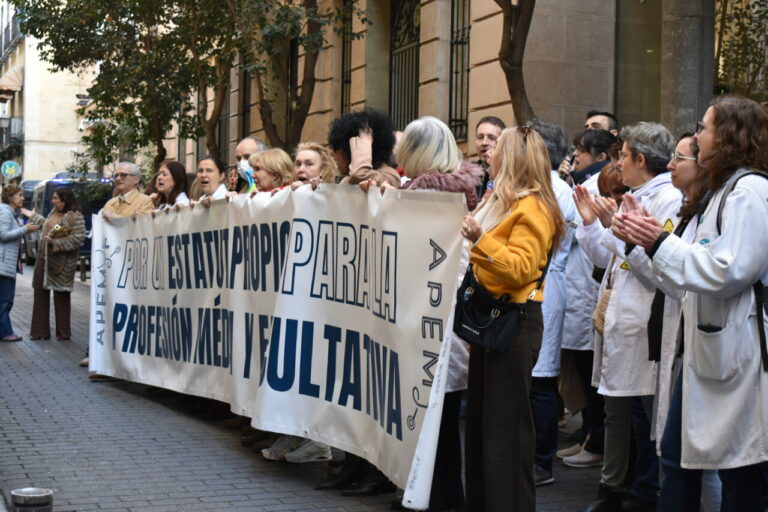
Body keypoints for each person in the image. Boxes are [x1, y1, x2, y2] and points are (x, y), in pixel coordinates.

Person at [615, 95, 768, 512]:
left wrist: (658, 241)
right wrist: (644, 241)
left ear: (730, 136)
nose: (697, 135)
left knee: (742, 472)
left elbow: (728, 270)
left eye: (703, 127)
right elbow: (685, 280)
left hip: (737, 356)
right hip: (704, 355)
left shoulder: (750, 192)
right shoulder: (719, 193)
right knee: (679, 454)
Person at [575, 122, 679, 512]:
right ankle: (620, 488)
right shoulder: (637, 195)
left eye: (621, 156)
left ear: (639, 158)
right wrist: (593, 223)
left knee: (644, 417)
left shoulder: (667, 199)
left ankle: (644, 491)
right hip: (622, 318)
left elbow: (658, 267)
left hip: (644, 321)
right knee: (622, 410)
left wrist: (615, 231)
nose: (617, 165)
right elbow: (607, 259)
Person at [460, 126, 565, 511]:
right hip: (499, 318)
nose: (490, 152)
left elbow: (521, 269)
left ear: (515, 157)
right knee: (485, 424)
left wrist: (480, 240)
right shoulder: (507, 200)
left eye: (498, 147)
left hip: (514, 321)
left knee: (505, 430)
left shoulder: (533, 207)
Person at [527, 120, 577, 486]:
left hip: (545, 288)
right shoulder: (530, 187)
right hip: (527, 291)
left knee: (540, 381)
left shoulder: (556, 191)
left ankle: (541, 462)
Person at [82, 162, 153, 367]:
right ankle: (100, 354)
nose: (119, 178)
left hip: (132, 268)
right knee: (106, 310)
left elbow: (140, 229)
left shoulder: (145, 202)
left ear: (137, 179)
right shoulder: (110, 203)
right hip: (111, 268)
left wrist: (115, 219)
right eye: (116, 175)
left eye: (124, 175)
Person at [26, 189, 85, 341]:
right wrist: (33, 216)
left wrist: (55, 243)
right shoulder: (54, 212)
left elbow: (78, 239)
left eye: (55, 198)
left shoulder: (74, 216)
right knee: (39, 294)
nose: (52, 201)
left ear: (64, 200)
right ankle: (40, 332)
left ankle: (63, 333)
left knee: (61, 297)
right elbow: (48, 225)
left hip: (61, 263)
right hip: (43, 260)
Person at [0, 184, 41, 342]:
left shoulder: (11, 212)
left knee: (6, 300)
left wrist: (27, 228)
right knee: (5, 300)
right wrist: (25, 229)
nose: (23, 198)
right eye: (19, 195)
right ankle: (5, 332)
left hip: (8, 264)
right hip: (4, 264)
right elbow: (3, 235)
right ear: (10, 197)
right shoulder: (5, 211)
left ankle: (5, 331)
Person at [327, 108, 400, 188]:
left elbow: (359, 175)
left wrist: (364, 142)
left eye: (337, 147)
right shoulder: (345, 179)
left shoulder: (390, 176)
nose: (332, 153)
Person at [473, 116, 506, 199]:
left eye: (491, 138)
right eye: (480, 137)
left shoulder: (510, 173)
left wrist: (495, 167)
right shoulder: (469, 172)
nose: (484, 143)